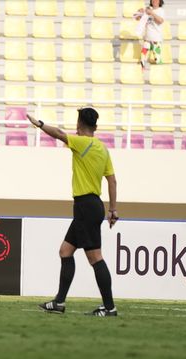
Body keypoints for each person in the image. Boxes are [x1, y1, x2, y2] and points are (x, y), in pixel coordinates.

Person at [26, 108, 119, 317]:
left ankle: (110, 307)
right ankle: (59, 302)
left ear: (79, 124)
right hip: (93, 205)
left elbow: (59, 133)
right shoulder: (103, 149)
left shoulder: (81, 142)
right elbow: (112, 180)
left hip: (86, 205)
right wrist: (113, 209)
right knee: (65, 251)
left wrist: (39, 124)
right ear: (95, 125)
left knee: (95, 258)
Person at [134, 0, 166, 69]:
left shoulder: (161, 10)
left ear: (160, 1)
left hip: (156, 40)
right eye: (153, 0)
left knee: (157, 59)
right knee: (142, 60)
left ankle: (158, 74)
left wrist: (152, 13)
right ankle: (141, 74)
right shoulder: (147, 10)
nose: (154, 1)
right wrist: (139, 12)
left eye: (156, 0)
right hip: (147, 39)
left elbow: (160, 21)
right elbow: (136, 18)